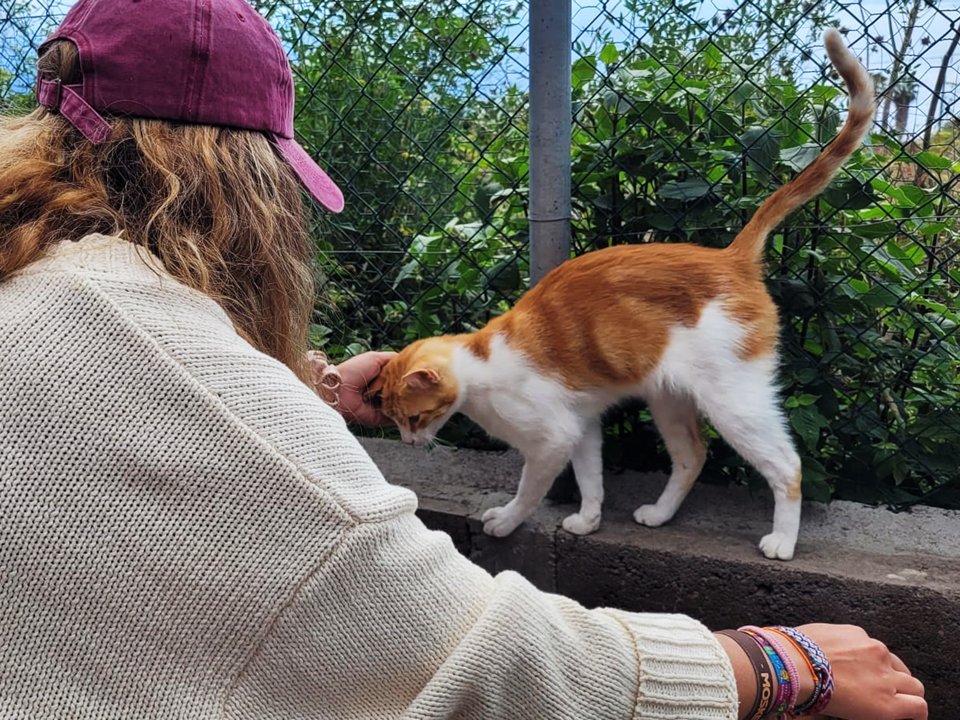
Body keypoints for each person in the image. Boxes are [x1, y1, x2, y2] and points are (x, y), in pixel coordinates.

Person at [0, 1, 926, 719]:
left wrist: (304, 391)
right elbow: (470, 650)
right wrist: (765, 666)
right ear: (241, 184)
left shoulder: (37, 280)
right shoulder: (193, 378)